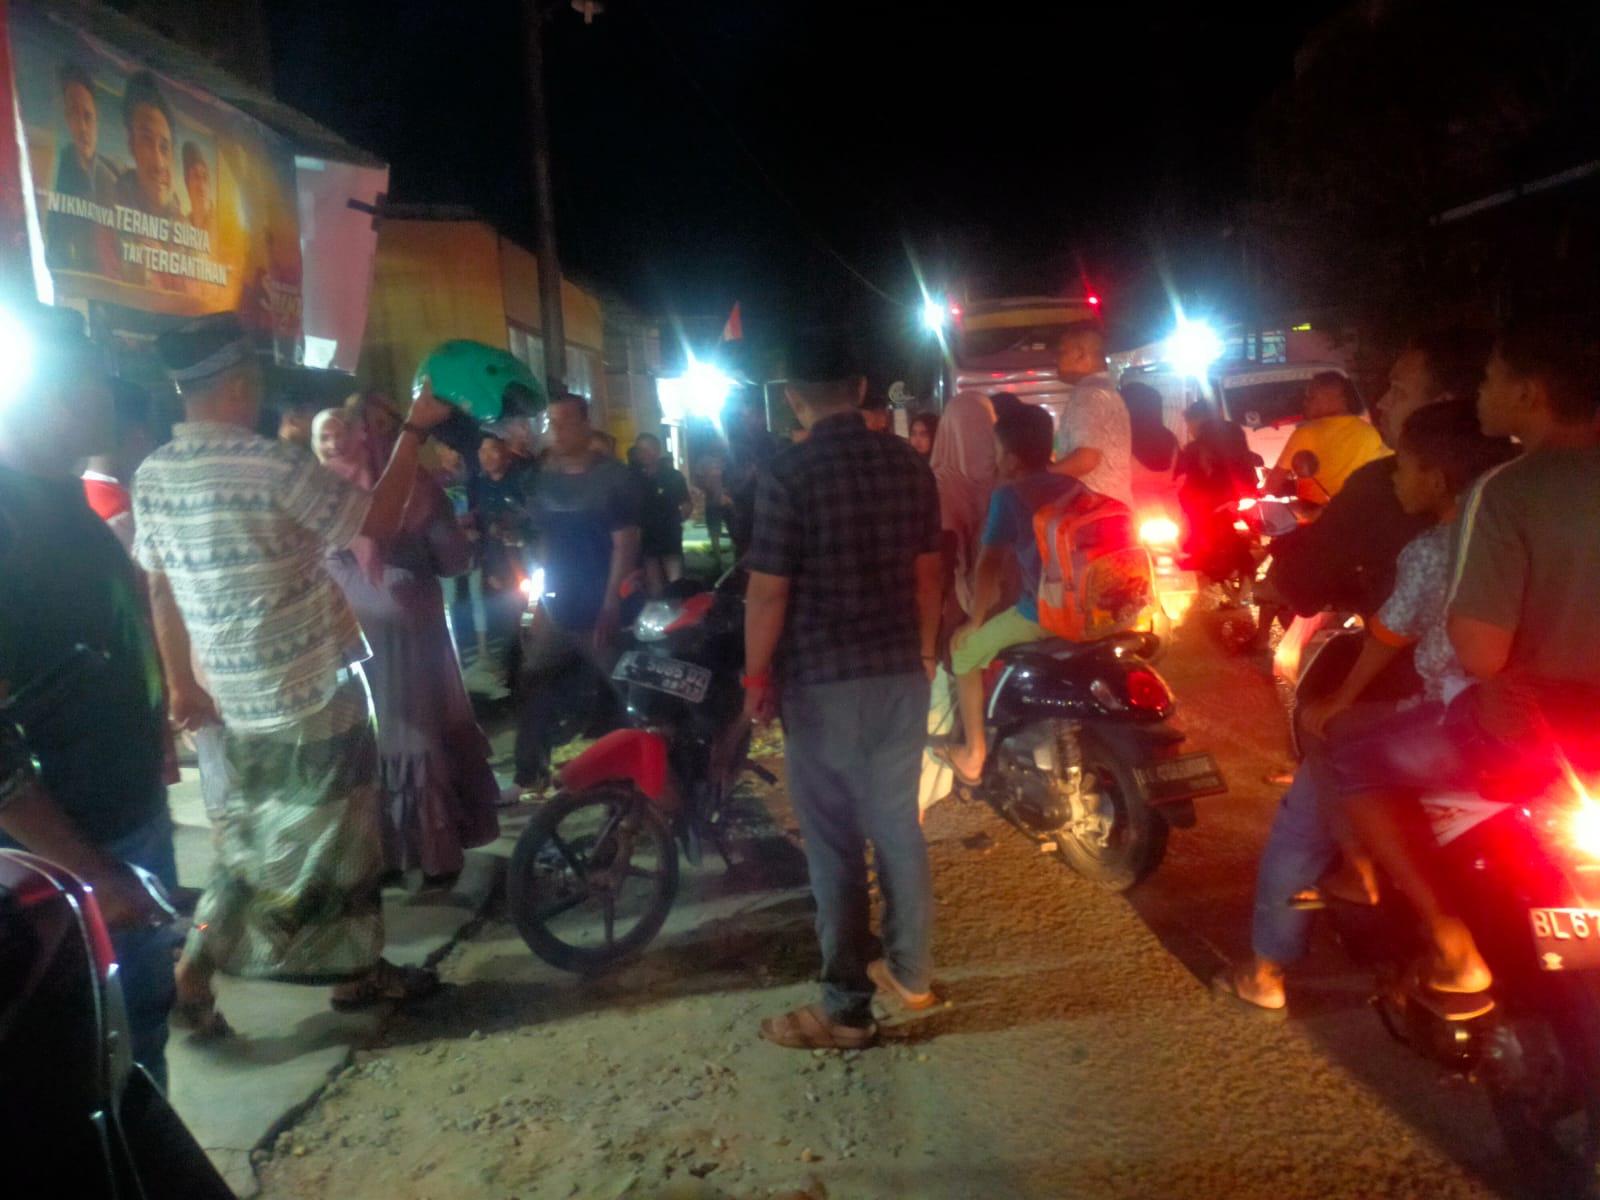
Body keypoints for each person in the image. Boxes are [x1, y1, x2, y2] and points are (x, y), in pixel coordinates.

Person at [132, 313, 453, 1031]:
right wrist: (413, 433)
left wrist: (182, 684)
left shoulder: (153, 475)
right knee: (342, 841)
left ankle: (200, 975)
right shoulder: (275, 467)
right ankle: (348, 974)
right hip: (310, 690)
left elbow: (159, 587)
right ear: (236, 384)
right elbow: (376, 523)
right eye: (254, 381)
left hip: (228, 695)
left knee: (247, 839)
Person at [1335, 325, 1600, 1018]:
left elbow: (1480, 654)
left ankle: (1449, 939)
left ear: (1529, 394)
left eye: (1489, 379)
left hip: (1532, 733)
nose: (1480, 392)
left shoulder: (1504, 491)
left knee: (1351, 757)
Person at [1219, 400, 1516, 1013]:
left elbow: (1387, 630)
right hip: (1528, 714)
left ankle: (1364, 894)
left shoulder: (1432, 543)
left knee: (1334, 748)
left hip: (1454, 712)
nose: (1394, 474)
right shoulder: (1519, 526)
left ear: (1436, 478)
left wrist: (1340, 697)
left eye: (1402, 465)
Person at [744, 334, 943, 1050]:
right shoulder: (909, 465)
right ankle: (912, 976)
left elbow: (768, 592)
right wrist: (925, 653)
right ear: (860, 389)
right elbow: (929, 575)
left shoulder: (786, 473)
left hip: (822, 682)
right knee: (897, 826)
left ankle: (847, 1010)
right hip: (899, 672)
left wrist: (755, 677)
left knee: (833, 845)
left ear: (794, 396)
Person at [0, 307, 178, 1088]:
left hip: (121, 825)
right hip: (64, 857)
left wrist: (155, 729)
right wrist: (88, 870)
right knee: (94, 1063)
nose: (115, 401)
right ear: (57, 399)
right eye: (101, 386)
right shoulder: (9, 523)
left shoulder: (64, 502)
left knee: (139, 1035)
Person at [318, 398, 501, 887]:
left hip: (348, 628)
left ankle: (381, 852)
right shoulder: (416, 486)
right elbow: (453, 559)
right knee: (417, 731)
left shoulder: (322, 491)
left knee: (371, 737)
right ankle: (429, 852)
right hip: (410, 626)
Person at [1250, 329, 1488, 653]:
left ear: (1441, 404)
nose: (1382, 402)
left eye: (1398, 391)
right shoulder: (1511, 473)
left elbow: (1304, 574)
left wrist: (1282, 582)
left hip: (1416, 666)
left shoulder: (1383, 485)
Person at [934, 406, 1085, 785]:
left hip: (1040, 614)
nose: (996, 460)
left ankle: (973, 753)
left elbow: (988, 566)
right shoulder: (1074, 486)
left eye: (998, 452)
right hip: (1090, 609)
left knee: (964, 653)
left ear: (1013, 459)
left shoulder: (1009, 496)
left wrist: (974, 621)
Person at [514, 392, 641, 791]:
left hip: (600, 605)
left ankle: (640, 775)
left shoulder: (614, 479)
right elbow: (544, 546)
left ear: (586, 424)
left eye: (565, 422)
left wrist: (611, 604)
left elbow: (626, 543)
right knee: (534, 681)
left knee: (628, 692)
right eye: (551, 423)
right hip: (558, 604)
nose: (557, 431)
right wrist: (537, 602)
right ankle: (529, 773)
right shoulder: (543, 481)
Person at [1263, 372, 1385, 503]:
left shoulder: (1306, 433)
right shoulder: (1369, 431)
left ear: (1331, 399)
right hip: (1362, 508)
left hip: (1319, 512)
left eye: (1311, 397)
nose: (1305, 403)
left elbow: (1272, 486)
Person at [929, 391, 998, 620]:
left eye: (984, 427)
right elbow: (945, 567)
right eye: (969, 430)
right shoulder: (940, 487)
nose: (978, 439)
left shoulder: (1004, 477)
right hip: (955, 608)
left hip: (999, 603)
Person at [1049, 322, 1133, 508]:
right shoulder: (1106, 392)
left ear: (1081, 355)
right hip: (1114, 507)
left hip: (1095, 512)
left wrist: (1040, 477)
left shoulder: (1088, 394)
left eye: (1062, 352)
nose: (1056, 360)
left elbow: (1085, 460)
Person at [113, 71, 183, 291]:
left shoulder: (184, 227)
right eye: (146, 141)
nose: (158, 162)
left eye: (164, 147)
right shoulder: (108, 210)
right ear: (131, 144)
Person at [45, 60, 116, 273]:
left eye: (88, 116)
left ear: (97, 120)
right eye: (74, 114)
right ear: (66, 119)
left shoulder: (112, 178)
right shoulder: (53, 173)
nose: (83, 127)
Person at [468, 433, 532, 646]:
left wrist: (514, 526)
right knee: (508, 610)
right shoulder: (479, 485)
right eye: (482, 451)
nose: (487, 456)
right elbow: (479, 524)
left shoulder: (522, 480)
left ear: (505, 452)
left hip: (524, 556)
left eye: (492, 450)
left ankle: (532, 643)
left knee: (531, 607)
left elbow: (532, 517)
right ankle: (518, 649)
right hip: (497, 559)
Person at [632, 432, 692, 592]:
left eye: (649, 449)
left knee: (675, 582)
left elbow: (686, 504)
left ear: (657, 450)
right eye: (640, 450)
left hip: (669, 537)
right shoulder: (633, 478)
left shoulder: (672, 476)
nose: (644, 454)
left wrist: (675, 521)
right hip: (647, 539)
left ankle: (676, 605)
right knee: (654, 584)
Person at [725, 395, 780, 560]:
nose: (748, 420)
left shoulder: (773, 442)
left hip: (772, 512)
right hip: (747, 514)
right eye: (744, 416)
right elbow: (733, 486)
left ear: (762, 416)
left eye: (752, 415)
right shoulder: (736, 448)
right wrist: (750, 476)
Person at [695, 445, 732, 568]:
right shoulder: (723, 460)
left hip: (721, 501)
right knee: (716, 532)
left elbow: (699, 480)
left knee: (718, 532)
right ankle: (719, 560)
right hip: (716, 501)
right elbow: (699, 480)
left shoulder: (724, 460)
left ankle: (720, 560)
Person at [182, 141, 213, 234]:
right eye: (195, 176)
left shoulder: (220, 222)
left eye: (205, 177)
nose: (201, 185)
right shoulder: (182, 226)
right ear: (187, 183)